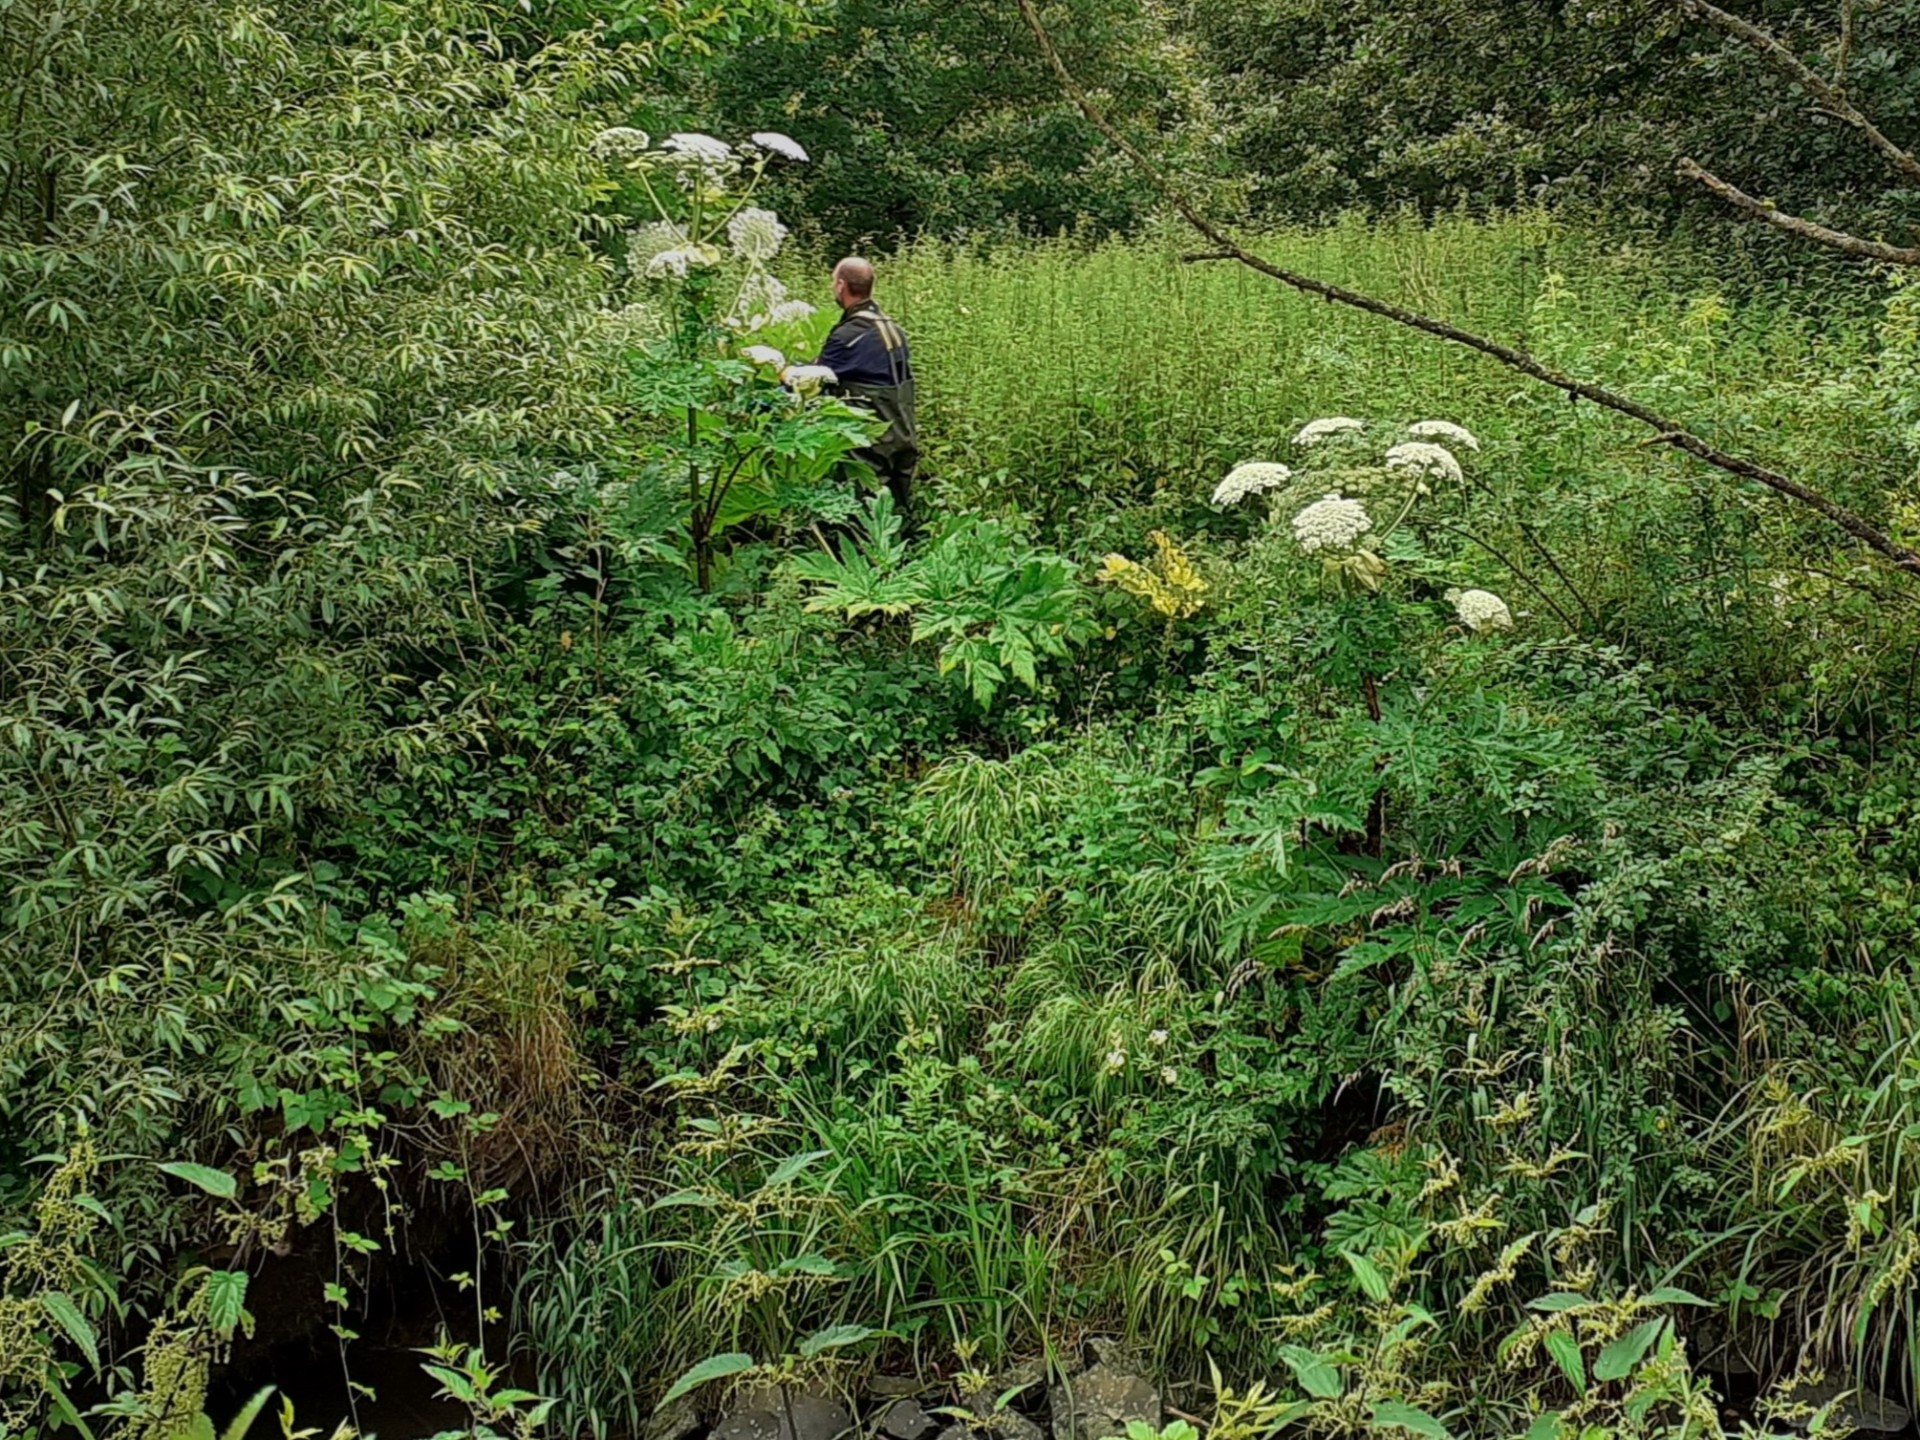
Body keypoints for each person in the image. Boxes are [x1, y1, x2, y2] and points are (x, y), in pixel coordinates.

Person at [805, 257, 920, 527]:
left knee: (864, 518)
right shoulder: (894, 328)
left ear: (841, 286)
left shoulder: (849, 335)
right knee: (897, 515)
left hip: (870, 441)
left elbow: (816, 377)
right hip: (903, 433)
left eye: (834, 281)